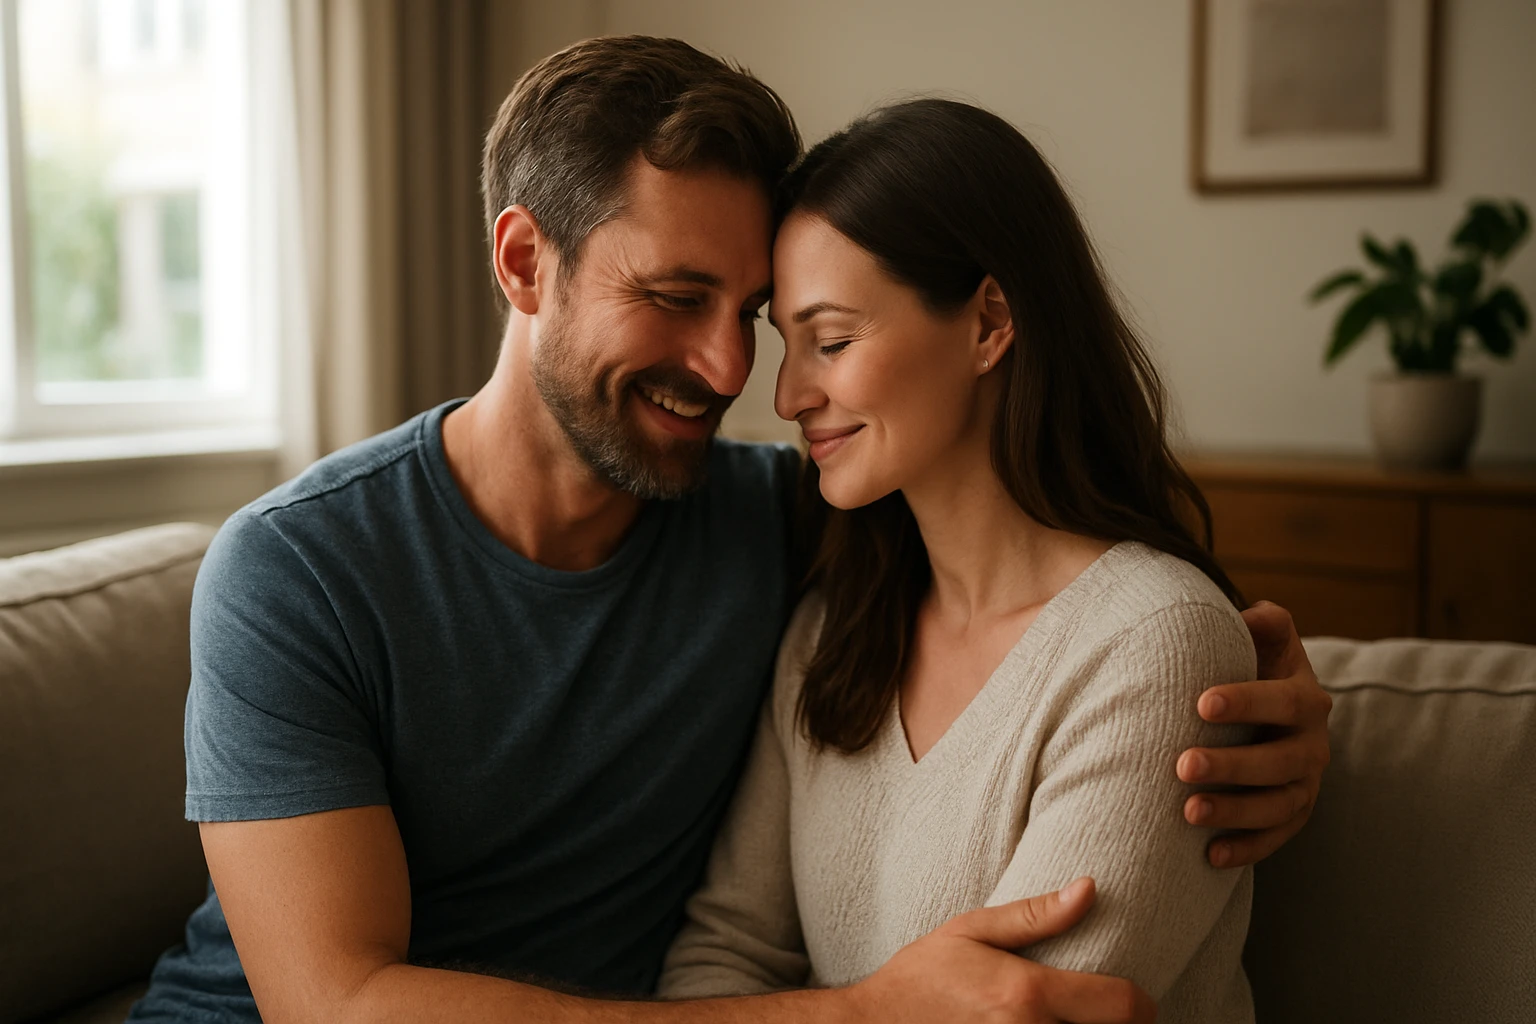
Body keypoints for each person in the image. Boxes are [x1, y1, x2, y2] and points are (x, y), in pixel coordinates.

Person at [129, 37, 1331, 1024]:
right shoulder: (297, 568)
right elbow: (338, 1005)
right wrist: (863, 1012)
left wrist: (1287, 695)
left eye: (754, 313)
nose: (732, 369)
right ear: (522, 261)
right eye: (672, 297)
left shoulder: (788, 524)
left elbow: (1070, 592)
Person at [658, 98, 1276, 1022]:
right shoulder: (833, 630)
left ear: (989, 321)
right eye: (787, 345)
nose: (787, 394)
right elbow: (726, 951)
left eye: (831, 341)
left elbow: (1039, 1011)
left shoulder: (1154, 646)